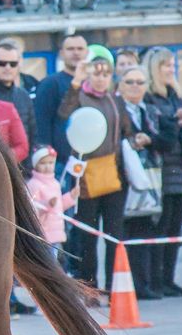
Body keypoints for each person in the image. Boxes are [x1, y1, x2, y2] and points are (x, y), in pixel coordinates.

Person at [57, 46, 134, 293]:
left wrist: (137, 139)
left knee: (114, 235)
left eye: (106, 73)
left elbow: (126, 130)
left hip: (112, 172)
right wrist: (76, 83)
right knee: (88, 236)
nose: (101, 78)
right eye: (96, 72)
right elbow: (63, 114)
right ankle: (91, 288)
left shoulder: (115, 100)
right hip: (86, 175)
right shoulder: (80, 96)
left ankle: (115, 288)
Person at [142, 47, 182, 297]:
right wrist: (175, 119)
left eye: (172, 65)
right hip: (160, 169)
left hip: (180, 167)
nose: (170, 70)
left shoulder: (174, 94)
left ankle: (169, 278)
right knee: (159, 227)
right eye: (165, 65)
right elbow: (157, 128)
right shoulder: (149, 97)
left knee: (175, 228)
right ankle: (155, 280)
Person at [116, 65, 168, 299]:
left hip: (152, 176)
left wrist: (150, 139)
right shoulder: (116, 109)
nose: (135, 87)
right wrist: (130, 140)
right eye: (129, 82)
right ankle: (129, 284)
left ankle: (148, 282)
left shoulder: (151, 111)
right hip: (124, 178)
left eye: (140, 82)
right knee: (127, 232)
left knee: (148, 229)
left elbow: (169, 139)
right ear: (120, 86)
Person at [33, 34, 89, 168]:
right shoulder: (50, 83)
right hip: (61, 162)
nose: (76, 53)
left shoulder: (93, 84)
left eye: (80, 49)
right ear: (61, 53)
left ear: (86, 53)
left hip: (91, 160)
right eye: (70, 49)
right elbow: (41, 123)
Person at [27, 146, 76, 265]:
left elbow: (58, 207)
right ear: (35, 164)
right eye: (43, 163)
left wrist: (71, 197)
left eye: (50, 163)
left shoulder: (55, 183)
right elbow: (32, 209)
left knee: (54, 263)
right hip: (43, 233)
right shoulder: (33, 184)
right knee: (47, 264)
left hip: (56, 233)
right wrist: (47, 204)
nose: (47, 166)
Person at [0, 40, 35, 151]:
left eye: (13, 64)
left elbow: (33, 133)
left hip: (22, 164)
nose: (8, 67)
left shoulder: (23, 95)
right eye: (2, 63)